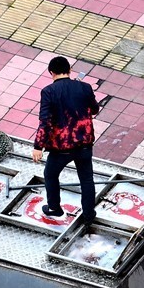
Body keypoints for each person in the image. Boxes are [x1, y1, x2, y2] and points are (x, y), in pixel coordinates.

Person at [32, 56, 100, 223]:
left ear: (51, 72)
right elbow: (94, 109)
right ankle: (89, 214)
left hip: (61, 147)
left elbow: (46, 121)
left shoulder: (48, 92)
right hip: (84, 143)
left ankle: (54, 208)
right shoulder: (84, 87)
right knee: (86, 179)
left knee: (50, 174)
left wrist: (38, 146)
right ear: (69, 70)